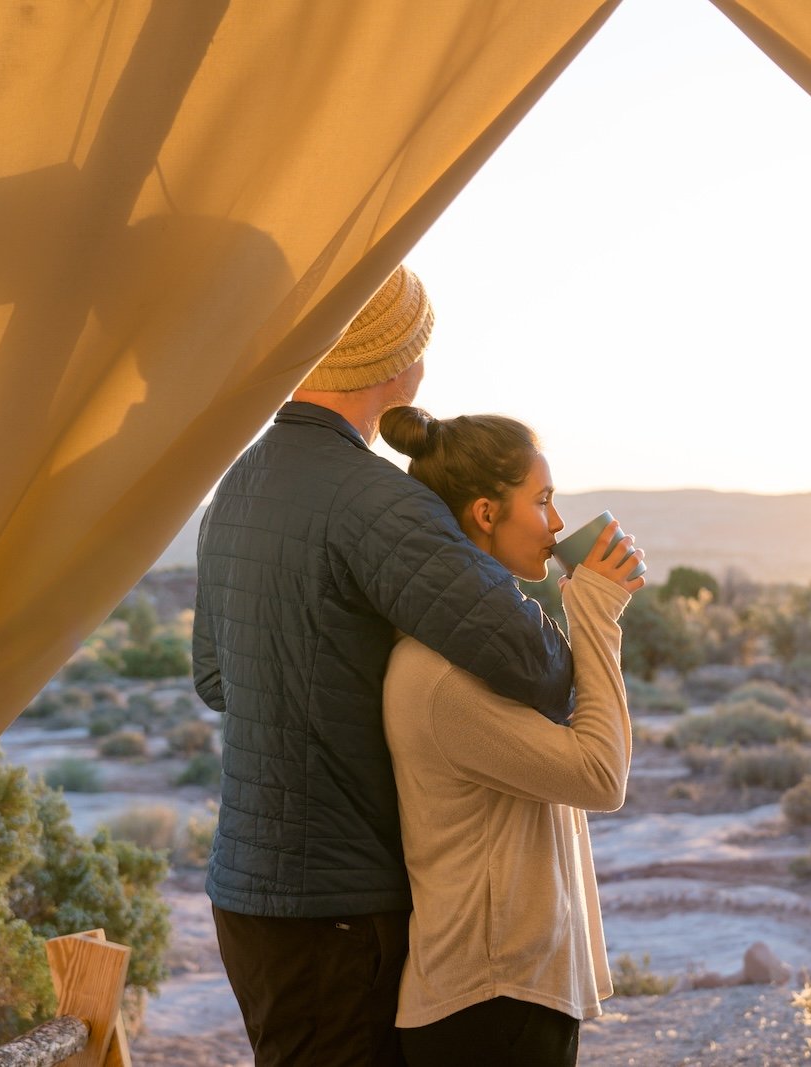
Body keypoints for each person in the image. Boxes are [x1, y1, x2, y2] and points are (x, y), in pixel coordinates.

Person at [192, 265, 575, 1067]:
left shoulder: (238, 482)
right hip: (336, 908)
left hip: (244, 896)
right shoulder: (378, 501)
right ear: (404, 365)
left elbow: (216, 680)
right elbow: (535, 661)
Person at [377, 406, 645, 1066]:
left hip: (508, 997)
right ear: (486, 513)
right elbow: (601, 775)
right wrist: (594, 615)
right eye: (544, 500)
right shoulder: (440, 675)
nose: (556, 524)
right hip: (485, 1008)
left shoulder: (487, 654)